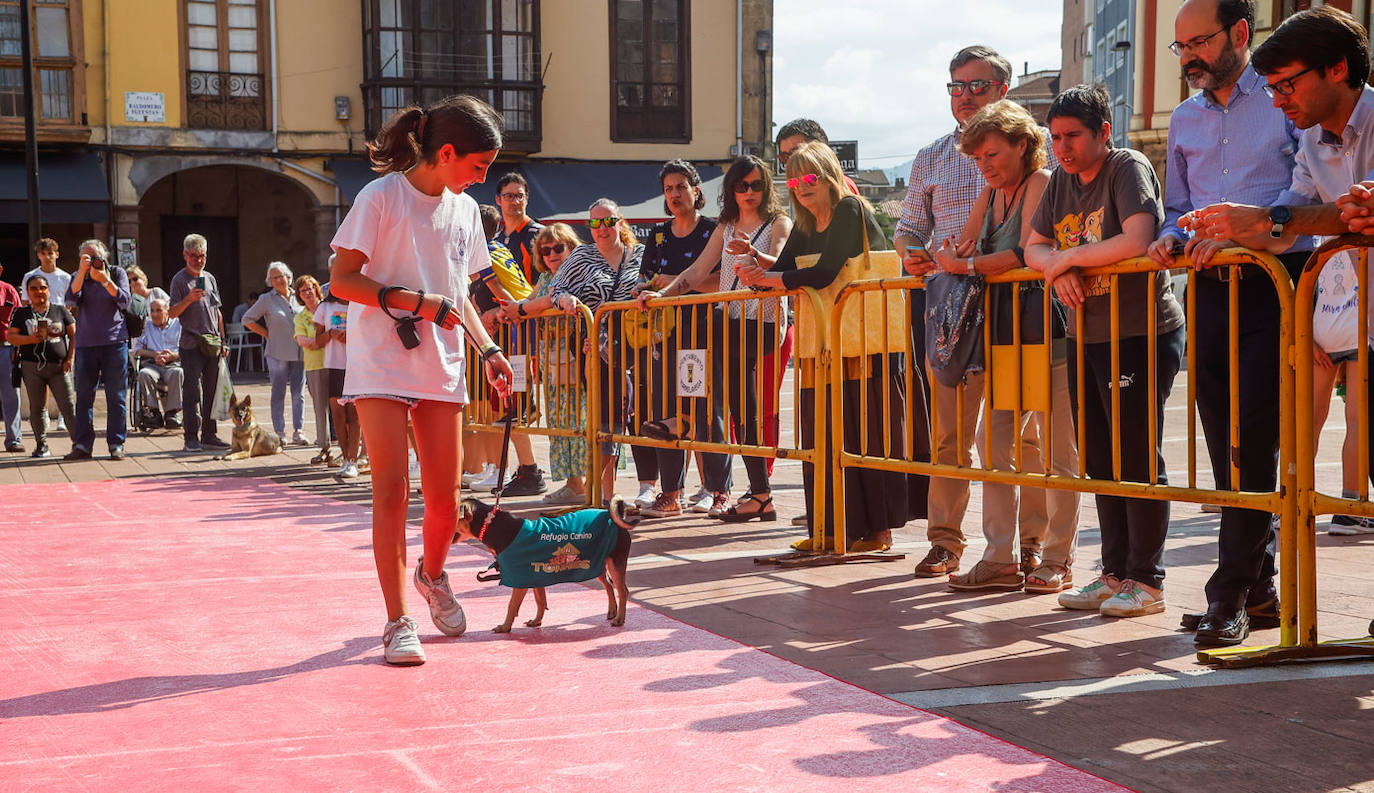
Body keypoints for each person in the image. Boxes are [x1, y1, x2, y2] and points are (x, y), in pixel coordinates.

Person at [1144, 0, 1315, 640]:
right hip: (1210, 291)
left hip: (1276, 284)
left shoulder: (1281, 101)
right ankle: (1259, 589)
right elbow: (1177, 207)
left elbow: (1305, 192)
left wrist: (1249, 233)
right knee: (1223, 442)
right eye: (1180, 46)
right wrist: (1169, 238)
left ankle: (1230, 594)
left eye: (1199, 41)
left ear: (1240, 33)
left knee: (1256, 437)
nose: (1188, 56)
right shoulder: (1184, 119)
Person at [328, 94, 513, 666]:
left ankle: (432, 575)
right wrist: (409, 301)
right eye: (479, 166)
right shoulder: (380, 196)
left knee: (445, 497)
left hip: (442, 358)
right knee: (390, 489)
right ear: (449, 152)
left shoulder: (461, 211)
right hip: (381, 356)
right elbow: (341, 279)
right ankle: (397, 619)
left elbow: (459, 293)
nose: (483, 179)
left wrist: (491, 351)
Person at [1025, 84, 1186, 618]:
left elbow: (1138, 238)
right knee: (1100, 459)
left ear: (1103, 132)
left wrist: (1069, 258)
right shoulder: (1061, 182)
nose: (1063, 148)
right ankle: (1114, 572)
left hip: (1140, 332)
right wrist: (1059, 265)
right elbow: (1032, 246)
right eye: (1055, 139)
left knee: (1136, 454)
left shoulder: (1127, 166)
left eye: (1072, 136)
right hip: (1088, 334)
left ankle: (1147, 580)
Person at [897, 44, 1053, 579]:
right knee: (950, 434)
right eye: (956, 87)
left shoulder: (1040, 150)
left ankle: (1028, 544)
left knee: (1024, 436)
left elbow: (1043, 225)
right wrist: (911, 252)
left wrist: (968, 262)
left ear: (1002, 91)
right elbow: (910, 223)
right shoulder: (932, 156)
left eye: (977, 87)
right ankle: (945, 540)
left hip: (1018, 309)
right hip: (955, 311)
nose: (964, 97)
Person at [913, 100, 1081, 593]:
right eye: (978, 157)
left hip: (1047, 331)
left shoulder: (1041, 183)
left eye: (991, 154)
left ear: (1023, 145)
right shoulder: (992, 193)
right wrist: (952, 257)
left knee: (1056, 448)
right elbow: (964, 247)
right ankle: (1000, 555)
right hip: (1004, 336)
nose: (984, 165)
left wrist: (962, 264)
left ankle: (1056, 557)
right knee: (996, 444)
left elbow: (1021, 253)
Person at [736, 141, 912, 550]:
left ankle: (876, 531)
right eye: (794, 179)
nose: (800, 186)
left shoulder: (849, 208)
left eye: (809, 176)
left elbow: (826, 271)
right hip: (826, 346)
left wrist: (771, 279)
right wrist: (754, 265)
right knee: (823, 436)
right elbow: (783, 270)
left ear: (829, 175)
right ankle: (831, 528)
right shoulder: (803, 220)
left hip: (863, 347)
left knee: (863, 432)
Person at [638, 155, 793, 521]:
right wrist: (665, 294)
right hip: (729, 323)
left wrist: (754, 253)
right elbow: (696, 271)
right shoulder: (726, 225)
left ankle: (685, 418)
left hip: (761, 322)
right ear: (732, 190)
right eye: (742, 186)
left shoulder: (778, 221)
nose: (749, 192)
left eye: (756, 185)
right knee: (744, 411)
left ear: (766, 187)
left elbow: (784, 260)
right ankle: (760, 495)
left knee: (699, 335)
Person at [516, 198, 642, 506]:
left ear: (620, 222)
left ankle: (646, 489)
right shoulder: (583, 255)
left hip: (633, 343)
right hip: (592, 349)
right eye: (595, 223)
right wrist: (566, 300)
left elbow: (654, 282)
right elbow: (556, 289)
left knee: (628, 418)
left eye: (608, 221)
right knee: (604, 419)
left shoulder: (638, 254)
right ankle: (604, 494)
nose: (601, 228)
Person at [625, 159, 728, 518]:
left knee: (703, 412)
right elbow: (644, 279)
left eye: (680, 187)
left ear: (696, 191)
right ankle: (671, 494)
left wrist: (673, 281)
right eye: (668, 189)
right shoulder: (656, 235)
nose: (673, 194)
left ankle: (717, 489)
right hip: (663, 334)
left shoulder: (713, 230)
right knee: (664, 413)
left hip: (703, 331)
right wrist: (645, 287)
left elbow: (721, 282)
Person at [469, 204, 545, 498]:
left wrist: (512, 312)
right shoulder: (498, 247)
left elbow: (501, 287)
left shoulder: (484, 252)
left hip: (515, 337)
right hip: (513, 334)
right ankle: (522, 469)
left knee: (512, 407)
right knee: (508, 408)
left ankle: (530, 470)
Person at [512, 223, 588, 505]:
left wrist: (528, 307)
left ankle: (591, 485)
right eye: (546, 251)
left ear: (571, 247)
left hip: (579, 355)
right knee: (560, 420)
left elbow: (538, 305)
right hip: (553, 360)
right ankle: (574, 484)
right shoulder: (545, 278)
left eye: (558, 248)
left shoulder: (580, 273)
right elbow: (528, 302)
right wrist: (504, 312)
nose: (552, 254)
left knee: (583, 419)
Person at [64, 239, 133, 461]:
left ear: (104, 257)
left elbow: (125, 301)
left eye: (95, 257)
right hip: (86, 344)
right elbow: (70, 300)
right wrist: (82, 272)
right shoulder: (79, 276)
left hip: (114, 342)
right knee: (84, 397)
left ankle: (116, 443)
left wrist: (104, 280)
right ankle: (83, 445)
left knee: (117, 396)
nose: (91, 261)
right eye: (86, 257)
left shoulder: (116, 272)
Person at [169, 233, 230, 453]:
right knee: (192, 391)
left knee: (212, 391)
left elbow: (218, 312)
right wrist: (189, 299)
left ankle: (210, 434)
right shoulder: (179, 280)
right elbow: (172, 313)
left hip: (212, 342)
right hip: (191, 343)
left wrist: (223, 340)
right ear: (185, 255)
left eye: (202, 256)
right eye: (194, 256)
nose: (198, 261)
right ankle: (190, 437)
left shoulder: (210, 278)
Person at [7, 275, 76, 458]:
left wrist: (70, 357)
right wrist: (31, 339)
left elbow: (74, 334)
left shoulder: (60, 310)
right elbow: (11, 337)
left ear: (48, 290)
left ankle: (79, 444)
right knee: (37, 408)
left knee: (68, 405)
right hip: (31, 366)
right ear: (28, 292)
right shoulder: (21, 313)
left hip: (59, 366)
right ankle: (41, 444)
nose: (39, 292)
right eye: (34, 289)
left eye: (43, 288)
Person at [242, 261, 309, 445]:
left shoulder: (299, 296)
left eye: (281, 276)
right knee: (278, 392)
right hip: (277, 352)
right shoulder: (266, 299)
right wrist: (265, 333)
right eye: (274, 277)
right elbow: (246, 319)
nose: (279, 280)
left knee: (299, 393)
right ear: (270, 281)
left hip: (300, 352)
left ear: (289, 277)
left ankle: (299, 430)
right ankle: (280, 432)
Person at [313, 284, 360, 478]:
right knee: (338, 415)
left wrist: (353, 337)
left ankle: (353, 461)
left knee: (355, 416)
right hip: (334, 366)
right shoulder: (325, 307)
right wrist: (330, 334)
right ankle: (345, 459)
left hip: (357, 365)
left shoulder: (359, 305)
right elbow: (317, 340)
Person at [293, 275, 333, 465]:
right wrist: (328, 337)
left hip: (336, 362)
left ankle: (346, 448)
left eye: (310, 288)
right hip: (315, 365)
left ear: (317, 288)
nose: (307, 293)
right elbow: (305, 342)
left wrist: (319, 340)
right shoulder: (300, 317)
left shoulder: (328, 308)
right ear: (299, 295)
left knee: (343, 409)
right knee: (320, 408)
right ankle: (324, 447)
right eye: (303, 291)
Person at [132, 297, 184, 429]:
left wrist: (173, 355)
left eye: (159, 310)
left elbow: (186, 349)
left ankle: (171, 413)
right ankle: (154, 413)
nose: (154, 314)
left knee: (178, 373)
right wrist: (154, 354)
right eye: (152, 311)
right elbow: (137, 350)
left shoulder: (178, 325)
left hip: (173, 364)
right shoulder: (146, 326)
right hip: (152, 365)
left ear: (167, 311)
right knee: (144, 374)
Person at [494, 172, 545, 287]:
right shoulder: (495, 240)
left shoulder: (542, 235)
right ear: (498, 199)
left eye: (519, 196)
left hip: (534, 302)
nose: (515, 201)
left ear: (526, 198)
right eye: (509, 196)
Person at [0, 262, 26, 453]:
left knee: (11, 395)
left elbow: (20, 320)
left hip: (6, 348)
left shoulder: (9, 291)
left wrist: (18, 349)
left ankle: (14, 439)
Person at [22, 238, 72, 306]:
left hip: (58, 315)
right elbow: (25, 301)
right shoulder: (29, 276)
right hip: (36, 316)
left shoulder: (66, 277)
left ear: (57, 254)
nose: (47, 257)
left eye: (50, 253)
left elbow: (69, 303)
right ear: (38, 255)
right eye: (43, 254)